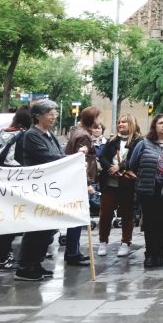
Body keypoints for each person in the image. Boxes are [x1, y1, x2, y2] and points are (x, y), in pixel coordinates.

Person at [14, 100, 64, 281]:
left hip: (49, 188)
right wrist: (71, 157)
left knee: (47, 229)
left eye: (54, 113)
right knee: (36, 228)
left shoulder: (49, 134)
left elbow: (58, 153)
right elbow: (48, 157)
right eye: (50, 113)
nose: (54, 117)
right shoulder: (31, 135)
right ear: (37, 116)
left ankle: (36, 263)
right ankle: (24, 266)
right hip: (37, 189)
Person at [128, 113, 163, 268]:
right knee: (150, 223)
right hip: (149, 189)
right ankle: (149, 254)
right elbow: (132, 163)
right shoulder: (144, 143)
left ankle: (159, 254)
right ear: (154, 126)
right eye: (160, 122)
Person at [0, 106, 32, 272]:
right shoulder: (23, 135)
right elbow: (23, 159)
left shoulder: (2, 132)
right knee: (11, 220)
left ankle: (1, 255)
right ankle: (4, 256)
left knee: (0, 217)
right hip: (13, 182)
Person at [97, 114, 143, 258]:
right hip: (110, 183)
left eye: (124, 122)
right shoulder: (112, 140)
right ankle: (103, 242)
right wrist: (110, 167)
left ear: (132, 124)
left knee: (127, 214)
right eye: (119, 122)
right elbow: (102, 157)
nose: (120, 124)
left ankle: (125, 243)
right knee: (105, 213)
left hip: (128, 183)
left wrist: (120, 167)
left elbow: (136, 159)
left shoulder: (139, 141)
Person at [63, 106, 101, 267]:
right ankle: (73, 252)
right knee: (77, 217)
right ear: (92, 118)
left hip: (76, 180)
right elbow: (81, 162)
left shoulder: (78, 132)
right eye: (98, 117)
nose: (100, 121)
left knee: (76, 217)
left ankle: (72, 252)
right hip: (78, 182)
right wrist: (86, 183)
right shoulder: (84, 136)